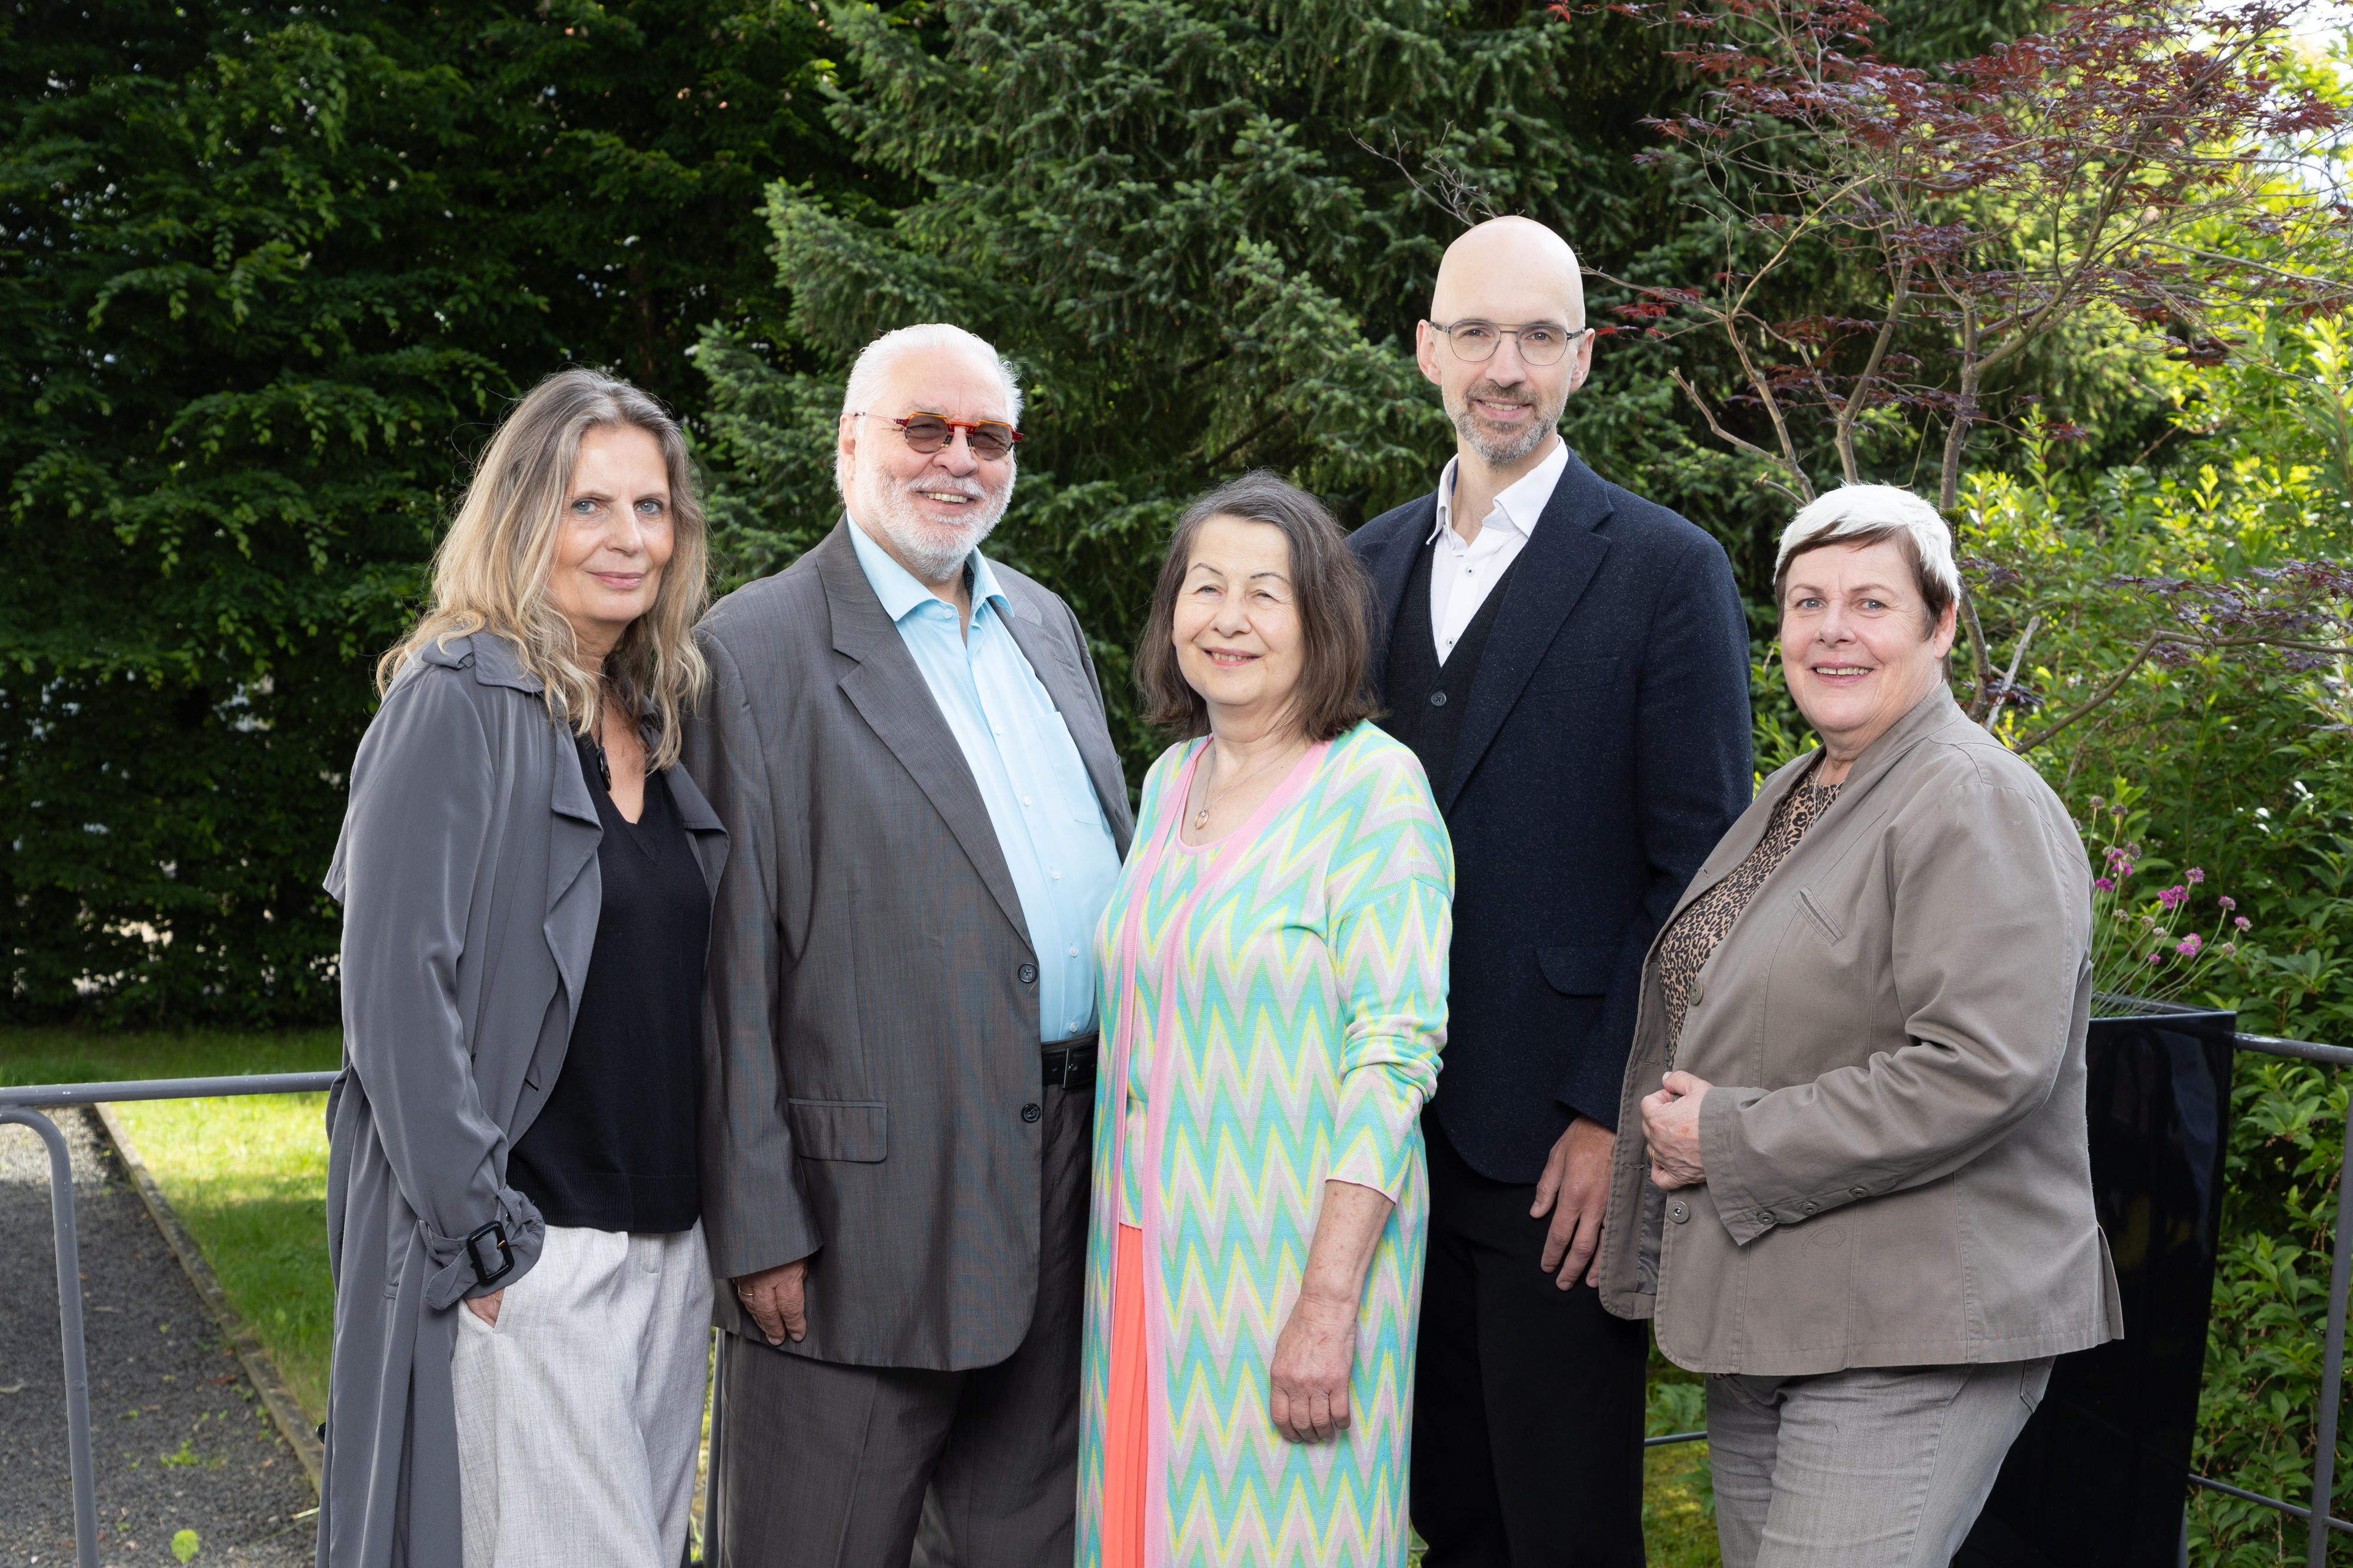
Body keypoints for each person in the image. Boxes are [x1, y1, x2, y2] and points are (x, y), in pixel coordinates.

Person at [1597, 484, 2121, 1567]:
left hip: (1907, 1327)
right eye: (1807, 602)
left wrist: (1728, 1137)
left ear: (1938, 625)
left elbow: (1982, 1067)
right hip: (1784, 1310)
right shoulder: (1803, 787)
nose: (1833, 629)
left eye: (1872, 603)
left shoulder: (1974, 797)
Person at [684, 322, 1135, 1568]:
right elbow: (725, 966)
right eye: (922, 429)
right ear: (848, 442)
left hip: (1068, 1182)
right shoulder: (751, 650)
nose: (957, 460)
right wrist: (756, 1219)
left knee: (1026, 1543)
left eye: (987, 436)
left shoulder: (1045, 625)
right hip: (855, 1223)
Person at [1345, 216, 1754, 1562]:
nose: (1501, 366)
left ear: (1581, 358)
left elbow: (1697, 881)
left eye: (1534, 336)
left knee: (1561, 1523)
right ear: (1425, 352)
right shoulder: (1354, 569)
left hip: (1551, 1154)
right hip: (1371, 1138)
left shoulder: (1662, 570)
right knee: (1434, 1510)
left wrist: (1605, 1113)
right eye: (1473, 333)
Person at [319, 368, 728, 1568]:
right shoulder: (457, 696)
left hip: (665, 1247)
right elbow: (394, 989)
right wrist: (481, 1233)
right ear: (519, 515)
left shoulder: (648, 710)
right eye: (586, 504)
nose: (627, 538)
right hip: (534, 1241)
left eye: (650, 508)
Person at [1080, 472, 1453, 1568]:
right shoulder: (1168, 780)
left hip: (1293, 1269)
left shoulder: (1375, 793)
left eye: (1264, 594)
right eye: (1205, 588)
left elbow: (1393, 1057)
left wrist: (1327, 1299)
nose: (1227, 619)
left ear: (1320, 621)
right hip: (1140, 1263)